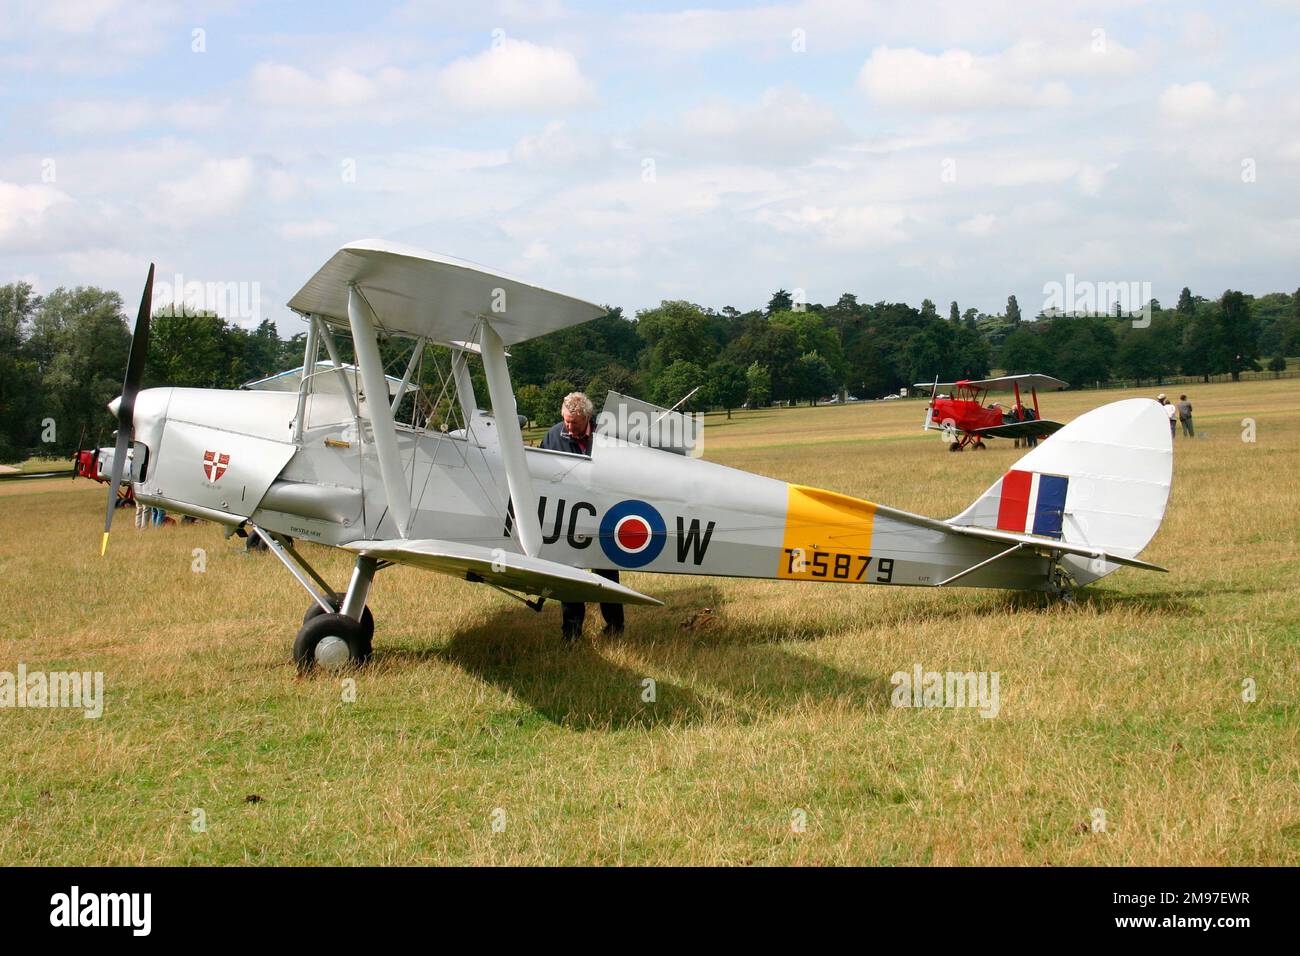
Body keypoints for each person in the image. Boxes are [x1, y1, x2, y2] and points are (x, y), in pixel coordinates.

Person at [540, 392, 624, 641]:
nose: (568, 426)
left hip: (602, 515)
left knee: (607, 571)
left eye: (574, 422)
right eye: (566, 421)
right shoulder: (554, 435)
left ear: (587, 417)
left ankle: (615, 626)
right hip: (567, 518)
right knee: (568, 575)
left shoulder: (606, 437)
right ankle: (572, 632)